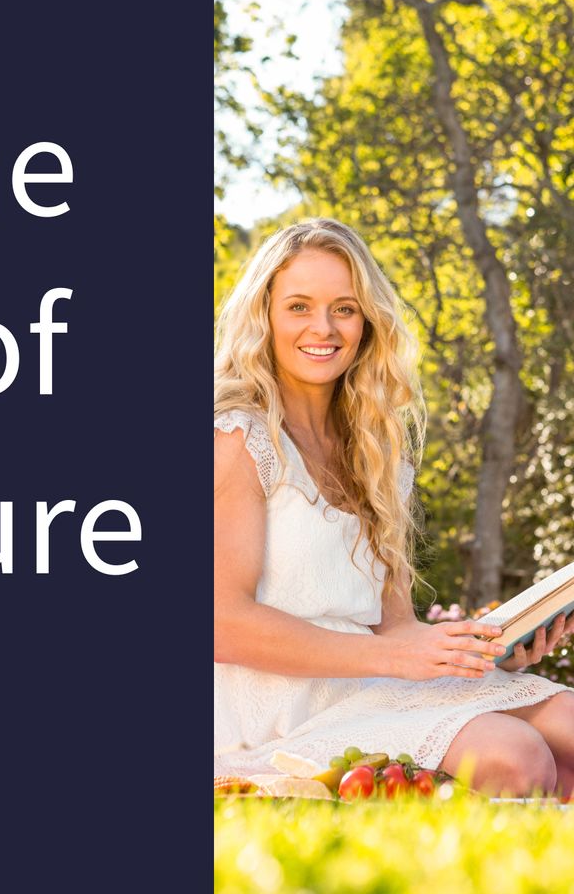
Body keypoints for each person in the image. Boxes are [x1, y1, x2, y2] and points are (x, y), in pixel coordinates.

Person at [214, 218, 574, 797]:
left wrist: (483, 651)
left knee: (569, 730)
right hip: (275, 709)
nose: (323, 328)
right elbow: (221, 624)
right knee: (516, 757)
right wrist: (396, 657)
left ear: (367, 322)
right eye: (299, 306)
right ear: (265, 316)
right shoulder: (238, 437)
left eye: (345, 309)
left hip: (372, 685)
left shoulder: (378, 449)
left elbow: (397, 628)